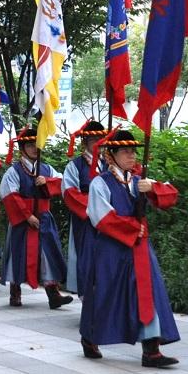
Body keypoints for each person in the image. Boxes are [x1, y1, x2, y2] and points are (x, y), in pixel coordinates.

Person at [79, 129, 181, 368]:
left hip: (139, 249)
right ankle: (90, 336)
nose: (132, 156)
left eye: (133, 151)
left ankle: (151, 350)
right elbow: (101, 217)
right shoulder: (99, 183)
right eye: (125, 151)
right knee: (106, 293)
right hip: (112, 249)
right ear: (110, 156)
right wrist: (133, 229)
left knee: (148, 292)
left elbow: (170, 197)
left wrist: (153, 189)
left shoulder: (138, 181)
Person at [0, 127, 73, 309]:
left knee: (47, 253)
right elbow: (10, 195)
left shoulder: (47, 169)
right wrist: (27, 216)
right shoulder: (14, 171)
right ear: (22, 148)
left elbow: (64, 183)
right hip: (21, 221)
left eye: (36, 145)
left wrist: (47, 182)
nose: (34, 148)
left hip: (44, 217)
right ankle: (15, 292)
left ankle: (53, 293)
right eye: (30, 145)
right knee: (17, 253)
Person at [62, 120, 108, 294]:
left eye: (101, 139)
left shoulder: (109, 164)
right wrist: (94, 208)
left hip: (108, 219)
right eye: (93, 139)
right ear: (85, 143)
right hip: (85, 218)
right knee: (86, 257)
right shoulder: (75, 166)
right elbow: (69, 193)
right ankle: (88, 298)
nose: (98, 143)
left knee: (105, 258)